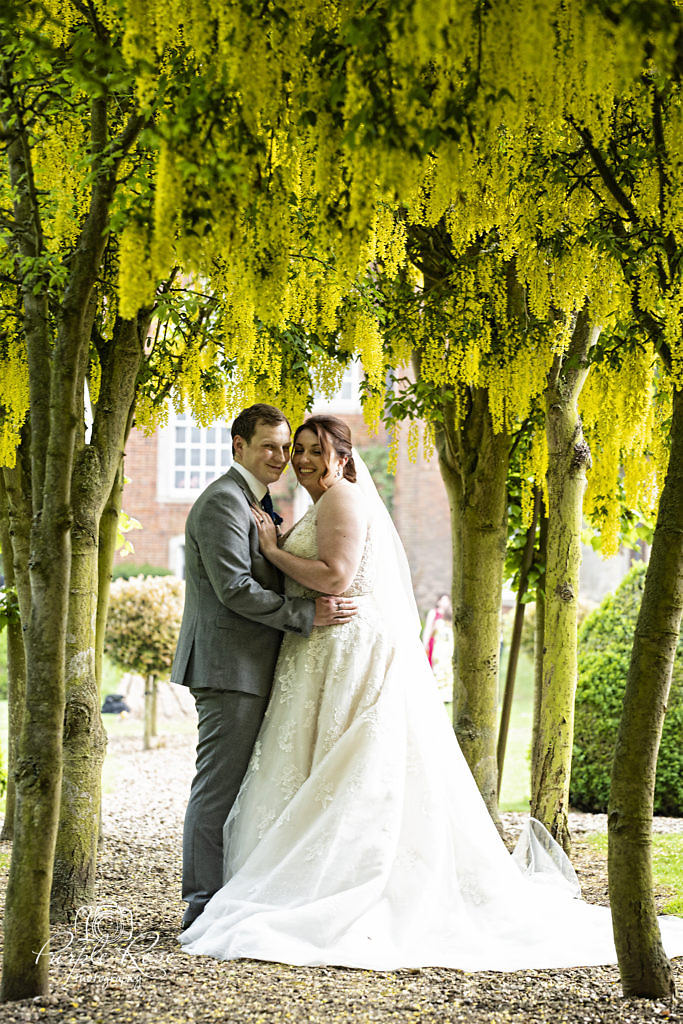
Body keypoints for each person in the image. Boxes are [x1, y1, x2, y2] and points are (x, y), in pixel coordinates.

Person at [179, 414, 683, 970]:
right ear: (242, 447)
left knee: (346, 771)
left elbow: (335, 577)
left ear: (344, 458)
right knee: (287, 773)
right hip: (295, 654)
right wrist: (295, 597)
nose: (296, 459)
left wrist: (276, 555)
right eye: (288, 448)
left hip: (341, 649)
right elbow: (237, 586)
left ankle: (293, 888)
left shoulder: (340, 500)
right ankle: (213, 898)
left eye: (308, 449)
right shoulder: (246, 502)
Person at [170, 404, 357, 932]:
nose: (282, 457)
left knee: (245, 788)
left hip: (256, 665)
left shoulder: (258, 501)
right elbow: (234, 589)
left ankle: (232, 890)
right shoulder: (222, 504)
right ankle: (202, 904)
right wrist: (306, 613)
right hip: (228, 668)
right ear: (238, 447)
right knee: (217, 787)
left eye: (285, 446)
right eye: (271, 446)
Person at [421, 593, 454, 703]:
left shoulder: (449, 614)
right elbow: (428, 629)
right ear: (438, 601)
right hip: (435, 642)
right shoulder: (433, 613)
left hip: (446, 644)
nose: (445, 603)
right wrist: (425, 644)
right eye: (443, 600)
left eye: (447, 600)